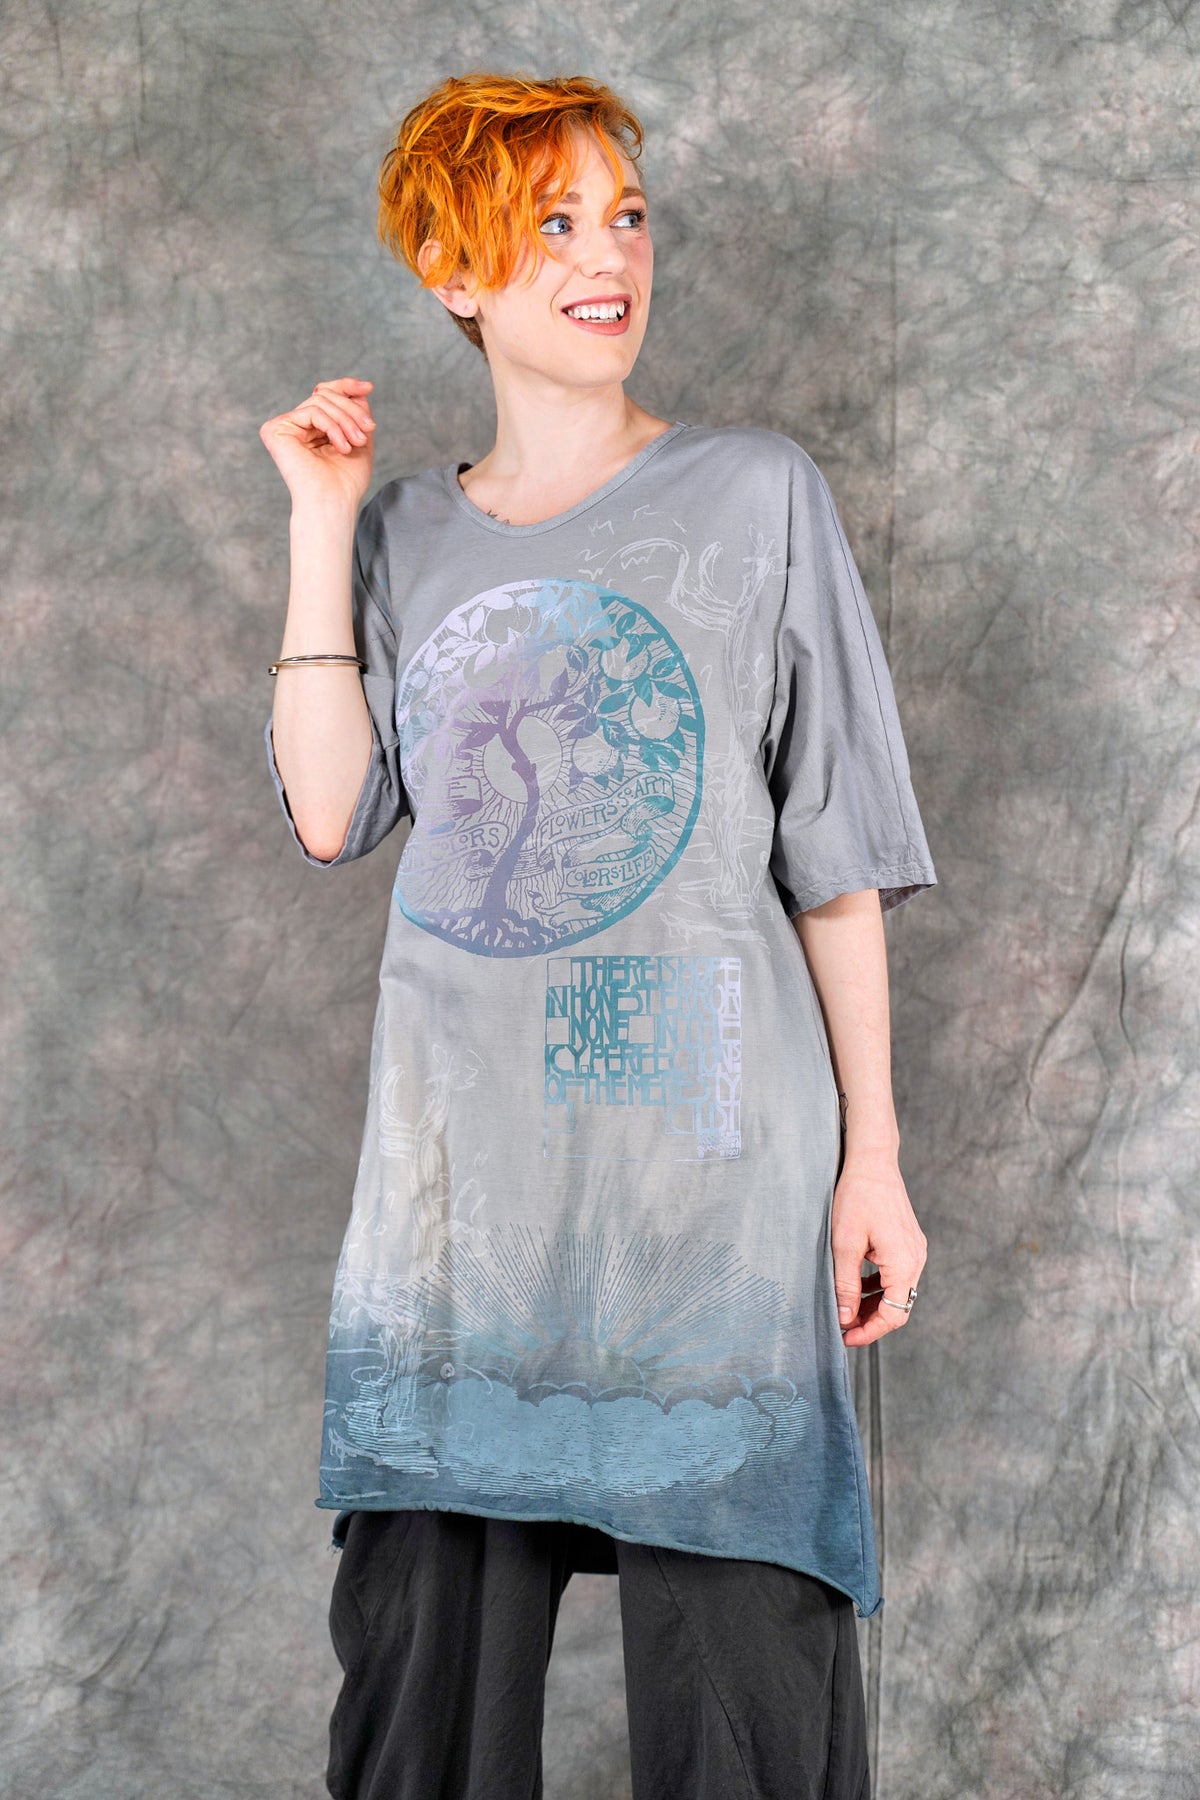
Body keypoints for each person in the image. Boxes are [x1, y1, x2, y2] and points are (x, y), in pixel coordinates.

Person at [258, 70, 936, 1800]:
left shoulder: (758, 494)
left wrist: (874, 1158)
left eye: (625, 215)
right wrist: (322, 525)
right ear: (451, 272)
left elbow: (835, 855)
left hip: (707, 1190)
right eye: (550, 224)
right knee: (422, 1705)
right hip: (459, 1208)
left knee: (745, 1704)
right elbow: (332, 812)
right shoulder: (403, 534)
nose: (606, 255)